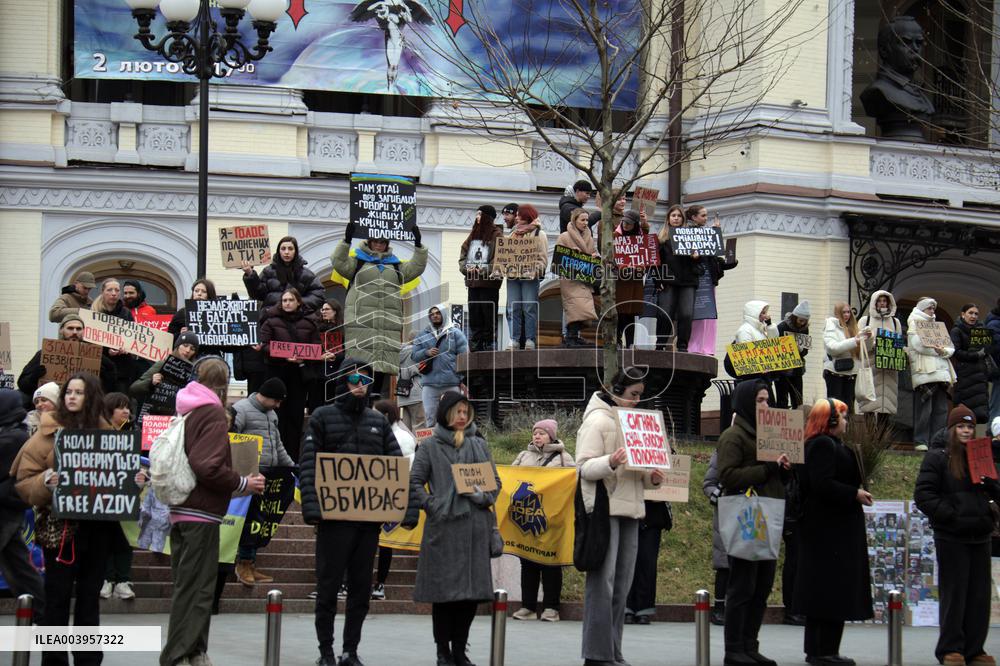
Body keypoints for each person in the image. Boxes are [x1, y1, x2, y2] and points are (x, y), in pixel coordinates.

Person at [159, 357, 265, 666]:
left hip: (182, 509)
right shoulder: (213, 414)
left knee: (189, 586)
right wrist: (242, 481)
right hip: (200, 513)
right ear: (223, 385)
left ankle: (194, 650)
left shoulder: (188, 410)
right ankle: (178, 654)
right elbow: (207, 466)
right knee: (197, 589)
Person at [299, 359, 401, 666]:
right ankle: (326, 651)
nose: (360, 385)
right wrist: (312, 508)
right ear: (343, 381)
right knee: (328, 588)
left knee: (360, 591)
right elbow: (308, 464)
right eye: (355, 379)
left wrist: (400, 509)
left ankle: (350, 650)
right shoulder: (322, 416)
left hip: (367, 524)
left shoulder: (378, 421)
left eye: (366, 380)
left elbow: (395, 466)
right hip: (333, 522)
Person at [11, 372, 116, 665]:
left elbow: (118, 476)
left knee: (88, 600)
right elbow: (23, 481)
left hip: (97, 532)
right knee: (55, 599)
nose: (71, 397)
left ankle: (87, 659)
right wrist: (46, 481)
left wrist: (134, 479)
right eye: (68, 391)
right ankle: (54, 660)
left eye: (79, 392)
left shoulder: (108, 434)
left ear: (91, 396)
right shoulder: (46, 434)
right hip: (61, 531)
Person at [402, 391, 499, 666]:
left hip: (475, 529)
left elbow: (496, 482)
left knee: (470, 597)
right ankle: (442, 650)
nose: (462, 416)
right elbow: (414, 482)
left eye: (465, 411)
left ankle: (459, 650)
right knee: (444, 597)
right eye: (457, 411)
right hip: (444, 530)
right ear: (446, 414)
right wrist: (433, 505)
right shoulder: (430, 447)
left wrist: (482, 496)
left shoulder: (479, 444)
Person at [576, 367, 665, 666]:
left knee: (622, 586)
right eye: (633, 395)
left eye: (640, 395)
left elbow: (638, 473)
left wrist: (652, 476)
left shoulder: (637, 423)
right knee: (603, 585)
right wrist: (610, 462)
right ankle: (596, 654)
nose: (637, 401)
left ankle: (613, 651)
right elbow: (584, 468)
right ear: (616, 391)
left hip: (632, 510)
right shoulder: (597, 421)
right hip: (604, 511)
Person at [793, 398, 874, 665]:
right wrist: (854, 493)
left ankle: (822, 649)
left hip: (828, 530)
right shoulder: (822, 445)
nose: (847, 421)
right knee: (829, 592)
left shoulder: (823, 445)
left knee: (826, 592)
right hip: (829, 531)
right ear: (831, 420)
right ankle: (823, 650)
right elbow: (822, 483)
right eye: (843, 416)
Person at [914, 405, 996, 666]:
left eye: (970, 427)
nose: (966, 431)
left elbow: (994, 493)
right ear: (951, 429)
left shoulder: (981, 456)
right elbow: (924, 494)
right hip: (952, 537)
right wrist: (950, 516)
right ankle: (951, 649)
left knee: (979, 597)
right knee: (955, 595)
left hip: (980, 535)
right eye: (961, 426)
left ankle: (975, 650)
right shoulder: (937, 457)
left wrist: (991, 496)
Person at [717, 379, 790, 666]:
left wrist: (783, 471)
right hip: (748, 517)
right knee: (742, 586)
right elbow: (728, 476)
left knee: (761, 586)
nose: (765, 405)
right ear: (747, 402)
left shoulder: (770, 436)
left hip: (769, 514)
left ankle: (750, 644)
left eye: (767, 400)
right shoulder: (734, 436)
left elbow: (774, 477)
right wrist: (767, 469)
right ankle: (734, 648)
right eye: (760, 400)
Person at [332, 221, 428, 394]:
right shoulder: (357, 262)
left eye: (382, 241)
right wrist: (346, 240)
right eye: (375, 240)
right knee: (360, 376)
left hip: (386, 330)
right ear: (369, 241)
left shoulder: (396, 266)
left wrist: (419, 245)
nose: (378, 244)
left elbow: (416, 267)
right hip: (361, 328)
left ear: (387, 244)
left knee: (379, 381)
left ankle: (374, 414)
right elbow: (339, 262)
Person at [230, 377, 295, 587]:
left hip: (271, 475)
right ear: (267, 396)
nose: (278, 406)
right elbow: (231, 439)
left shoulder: (271, 414)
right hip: (249, 476)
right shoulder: (241, 409)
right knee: (251, 521)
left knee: (261, 521)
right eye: (276, 401)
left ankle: (250, 563)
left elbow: (278, 445)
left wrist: (292, 467)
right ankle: (243, 563)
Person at [510, 419, 575, 622]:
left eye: (542, 433)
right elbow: (510, 479)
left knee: (551, 564)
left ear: (551, 436)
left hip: (553, 520)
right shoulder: (523, 456)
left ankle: (551, 608)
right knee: (527, 564)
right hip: (527, 518)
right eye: (535, 433)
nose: (537, 436)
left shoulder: (564, 458)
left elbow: (575, 481)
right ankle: (527, 607)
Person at [259, 288, 327, 463]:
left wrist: (303, 357)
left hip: (299, 375)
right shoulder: (270, 321)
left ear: (298, 302)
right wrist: (283, 355)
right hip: (278, 373)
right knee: (277, 417)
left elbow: (316, 346)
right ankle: (275, 459)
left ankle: (293, 459)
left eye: (290, 300)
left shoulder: (310, 323)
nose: (287, 303)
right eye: (284, 300)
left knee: (295, 418)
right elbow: (264, 346)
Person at [0, 389, 45, 620]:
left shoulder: (14, 438)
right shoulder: (13, 433)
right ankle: (41, 612)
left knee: (18, 566)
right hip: (8, 509)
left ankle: (41, 612)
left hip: (5, 510)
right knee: (18, 566)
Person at [370, 399, 417, 601]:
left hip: (390, 494)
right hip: (373, 493)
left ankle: (380, 583)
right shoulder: (375, 432)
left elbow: (407, 468)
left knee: (385, 542)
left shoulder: (403, 438)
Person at [17, 313, 118, 405]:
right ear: (61, 330)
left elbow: (109, 387)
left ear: (84, 331)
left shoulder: (94, 356)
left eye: (78, 329)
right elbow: (22, 384)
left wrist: (105, 373)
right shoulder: (45, 353)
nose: (74, 332)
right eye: (70, 328)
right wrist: (34, 377)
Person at [100, 392, 137, 601]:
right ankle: (107, 579)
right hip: (103, 494)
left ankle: (123, 580)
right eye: (120, 407)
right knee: (105, 538)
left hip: (126, 493)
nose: (126, 411)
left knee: (124, 537)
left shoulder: (133, 432)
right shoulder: (98, 433)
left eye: (128, 408)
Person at [908, 297, 956, 449]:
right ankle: (921, 440)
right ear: (922, 309)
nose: (932, 311)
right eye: (929, 308)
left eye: (933, 308)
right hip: (925, 373)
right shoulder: (914, 323)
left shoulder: (937, 326)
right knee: (925, 410)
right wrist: (939, 351)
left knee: (941, 410)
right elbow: (917, 345)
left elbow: (950, 347)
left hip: (941, 373)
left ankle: (937, 441)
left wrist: (942, 351)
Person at [687, 208, 735, 356]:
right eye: (703, 216)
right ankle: (694, 346)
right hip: (696, 278)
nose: (706, 218)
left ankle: (707, 348)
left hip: (709, 279)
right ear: (694, 217)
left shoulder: (707, 233)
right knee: (697, 315)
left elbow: (714, 258)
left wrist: (716, 237)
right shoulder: (687, 233)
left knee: (709, 315)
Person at [500, 204, 547, 350]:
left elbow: (543, 258)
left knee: (529, 308)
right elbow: (506, 255)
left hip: (529, 278)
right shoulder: (513, 234)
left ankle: (530, 340)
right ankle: (514, 340)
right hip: (513, 277)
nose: (517, 218)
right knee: (513, 308)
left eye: (519, 215)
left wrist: (534, 271)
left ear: (527, 217)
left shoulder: (539, 234)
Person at [412, 306, 469, 427]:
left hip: (452, 383)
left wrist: (461, 379)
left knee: (454, 418)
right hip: (429, 383)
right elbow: (414, 355)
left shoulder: (456, 333)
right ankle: (432, 444)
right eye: (432, 314)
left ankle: (453, 444)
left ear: (443, 314)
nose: (435, 315)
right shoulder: (422, 334)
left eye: (437, 313)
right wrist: (426, 352)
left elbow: (464, 358)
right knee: (430, 418)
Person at [603, 206, 649, 349]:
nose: (625, 225)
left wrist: (641, 267)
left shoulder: (641, 238)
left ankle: (630, 343)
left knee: (631, 313)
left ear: (635, 224)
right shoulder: (615, 236)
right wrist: (619, 266)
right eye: (624, 222)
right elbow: (608, 255)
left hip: (635, 280)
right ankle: (617, 340)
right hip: (621, 280)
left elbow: (648, 255)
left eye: (629, 223)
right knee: (621, 312)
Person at [459, 205, 504, 352]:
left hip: (488, 283)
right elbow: (463, 253)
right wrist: (466, 268)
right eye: (476, 214)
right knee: (474, 312)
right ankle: (475, 342)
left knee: (488, 313)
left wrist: (484, 269)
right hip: (473, 282)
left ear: (487, 217)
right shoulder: (473, 234)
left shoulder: (497, 235)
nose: (477, 217)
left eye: (480, 214)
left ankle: (488, 342)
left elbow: (500, 259)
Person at [243, 235, 326, 315]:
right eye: (283, 249)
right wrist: (250, 274)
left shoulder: (306, 274)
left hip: (298, 321)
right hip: (272, 319)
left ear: (295, 251)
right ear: (279, 251)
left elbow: (318, 296)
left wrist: (297, 303)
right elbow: (257, 294)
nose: (286, 252)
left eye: (290, 249)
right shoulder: (268, 271)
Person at [655, 205, 698, 351]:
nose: (676, 218)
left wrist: (696, 257)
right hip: (668, 281)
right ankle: (660, 344)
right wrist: (657, 280)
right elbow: (656, 263)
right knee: (664, 313)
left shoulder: (692, 237)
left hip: (687, 281)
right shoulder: (661, 239)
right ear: (668, 219)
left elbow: (704, 257)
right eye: (673, 215)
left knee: (686, 314)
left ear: (683, 219)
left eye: (679, 216)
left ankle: (682, 346)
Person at [556, 208, 599, 347]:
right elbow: (558, 258)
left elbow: (593, 253)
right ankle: (570, 336)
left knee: (583, 309)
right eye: (582, 220)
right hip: (570, 279)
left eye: (587, 220)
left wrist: (595, 257)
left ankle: (573, 336)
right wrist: (571, 254)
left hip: (585, 279)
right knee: (575, 306)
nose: (586, 223)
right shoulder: (564, 236)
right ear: (574, 221)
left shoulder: (590, 238)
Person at [625, 498, 672, 625]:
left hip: (653, 513)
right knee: (627, 560)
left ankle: (643, 609)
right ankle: (626, 607)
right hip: (628, 509)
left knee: (648, 563)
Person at [857, 291, 903, 419]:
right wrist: (873, 342)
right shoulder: (865, 321)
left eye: (884, 301)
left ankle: (883, 437)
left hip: (889, 371)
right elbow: (859, 346)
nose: (882, 303)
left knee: (885, 408)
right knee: (870, 407)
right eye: (879, 301)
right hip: (871, 366)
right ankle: (869, 438)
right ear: (874, 302)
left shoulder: (895, 322)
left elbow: (899, 344)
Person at [129, 332, 199, 415]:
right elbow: (134, 388)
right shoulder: (162, 364)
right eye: (185, 345)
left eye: (192, 349)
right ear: (177, 346)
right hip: (155, 416)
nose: (188, 350)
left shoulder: (195, 372)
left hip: (179, 417)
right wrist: (151, 382)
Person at [91, 278, 136, 393]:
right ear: (102, 292)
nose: (114, 293)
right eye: (109, 290)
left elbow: (133, 338)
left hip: (122, 370)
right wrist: (107, 350)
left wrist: (126, 348)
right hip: (100, 370)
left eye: (117, 290)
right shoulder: (93, 314)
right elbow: (89, 342)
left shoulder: (126, 313)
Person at [823, 302, 870, 410]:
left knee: (849, 408)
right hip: (835, 373)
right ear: (837, 313)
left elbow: (861, 352)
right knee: (835, 408)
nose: (847, 315)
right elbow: (832, 348)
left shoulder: (853, 328)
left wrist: (868, 338)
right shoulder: (831, 326)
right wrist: (854, 340)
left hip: (851, 373)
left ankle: (848, 427)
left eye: (849, 312)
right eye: (843, 312)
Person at [951, 303, 991, 423]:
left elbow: (988, 350)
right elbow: (956, 352)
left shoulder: (981, 330)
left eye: (976, 314)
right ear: (963, 314)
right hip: (965, 376)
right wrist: (975, 355)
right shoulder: (956, 330)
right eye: (970, 313)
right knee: (964, 414)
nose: (973, 316)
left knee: (979, 414)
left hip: (980, 376)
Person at [702, 451, 729, 626]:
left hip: (753, 513)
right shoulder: (723, 450)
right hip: (727, 511)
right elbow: (708, 484)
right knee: (724, 563)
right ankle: (719, 608)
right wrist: (719, 496)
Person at [311, 299, 346, 411]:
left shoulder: (344, 330)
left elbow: (348, 350)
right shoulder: (315, 328)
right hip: (318, 371)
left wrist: (336, 356)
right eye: (322, 309)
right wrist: (319, 356)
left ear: (335, 311)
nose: (323, 312)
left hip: (337, 371)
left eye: (327, 309)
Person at [775, 301, 811, 408]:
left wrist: (800, 350)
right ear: (795, 317)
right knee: (782, 400)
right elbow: (776, 348)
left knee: (798, 399)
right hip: (783, 370)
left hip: (797, 370)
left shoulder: (805, 329)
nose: (802, 323)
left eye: (805, 321)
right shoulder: (782, 327)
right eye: (800, 320)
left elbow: (805, 350)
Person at [167, 279, 218, 348]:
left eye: (204, 292)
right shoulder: (182, 313)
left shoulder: (218, 314)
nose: (199, 294)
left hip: (210, 354)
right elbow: (169, 338)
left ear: (210, 295)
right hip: (188, 356)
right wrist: (180, 334)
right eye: (196, 291)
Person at [397, 335, 425, 431]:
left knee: (405, 428)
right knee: (420, 427)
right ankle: (420, 446)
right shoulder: (417, 353)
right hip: (417, 395)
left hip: (402, 396)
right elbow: (423, 370)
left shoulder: (399, 352)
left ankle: (407, 446)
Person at [986, 298, 1000, 423]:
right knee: (997, 406)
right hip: (999, 372)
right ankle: (993, 435)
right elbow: (994, 348)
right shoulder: (993, 324)